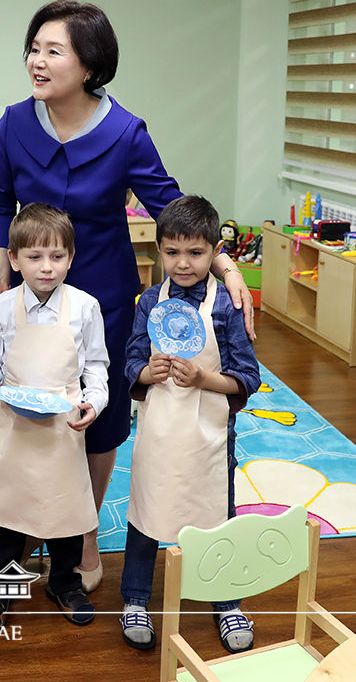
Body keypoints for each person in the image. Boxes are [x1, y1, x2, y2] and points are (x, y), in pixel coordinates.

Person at [0, 0, 254, 590]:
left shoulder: (126, 132)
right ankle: (32, 519)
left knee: (96, 419)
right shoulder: (12, 123)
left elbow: (169, 206)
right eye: (35, 47)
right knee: (31, 406)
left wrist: (226, 263)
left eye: (54, 50)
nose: (37, 60)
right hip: (31, 295)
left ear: (89, 64)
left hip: (102, 293)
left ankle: (80, 532)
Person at [120, 195, 261, 654]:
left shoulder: (227, 305)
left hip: (211, 435)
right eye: (172, 252)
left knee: (216, 515)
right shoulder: (148, 302)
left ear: (214, 251)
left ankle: (225, 601)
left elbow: (248, 375)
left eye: (196, 253)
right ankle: (136, 598)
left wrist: (205, 379)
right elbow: (131, 361)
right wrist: (146, 373)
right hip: (159, 427)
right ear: (159, 249)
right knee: (146, 510)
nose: (183, 263)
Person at [0, 203, 107, 627]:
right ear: (13, 259)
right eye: (34, 257)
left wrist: (94, 403)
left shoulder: (85, 307)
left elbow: (96, 367)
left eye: (57, 256)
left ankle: (64, 581)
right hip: (15, 422)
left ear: (71, 257)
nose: (46, 268)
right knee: (8, 505)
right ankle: (0, 583)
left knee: (64, 505)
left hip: (64, 423)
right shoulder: (3, 307)